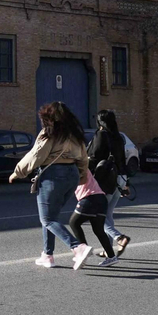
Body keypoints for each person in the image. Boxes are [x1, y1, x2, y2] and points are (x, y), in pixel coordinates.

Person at [10, 101, 90, 268]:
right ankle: (47, 255)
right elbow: (84, 158)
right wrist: (82, 178)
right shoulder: (75, 134)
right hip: (72, 174)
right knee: (51, 217)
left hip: (54, 175)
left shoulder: (50, 133)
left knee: (47, 218)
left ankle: (78, 247)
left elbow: (36, 155)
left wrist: (18, 172)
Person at [88, 109, 132, 257]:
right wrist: (126, 183)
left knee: (96, 214)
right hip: (120, 177)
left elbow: (94, 157)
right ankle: (109, 250)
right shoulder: (118, 137)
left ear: (100, 121)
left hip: (106, 179)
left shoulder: (101, 135)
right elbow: (123, 160)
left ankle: (119, 237)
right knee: (107, 214)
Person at [68, 170, 118, 268]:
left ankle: (83, 250)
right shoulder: (82, 166)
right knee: (98, 230)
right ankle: (111, 256)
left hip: (89, 198)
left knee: (74, 223)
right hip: (101, 199)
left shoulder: (74, 168)